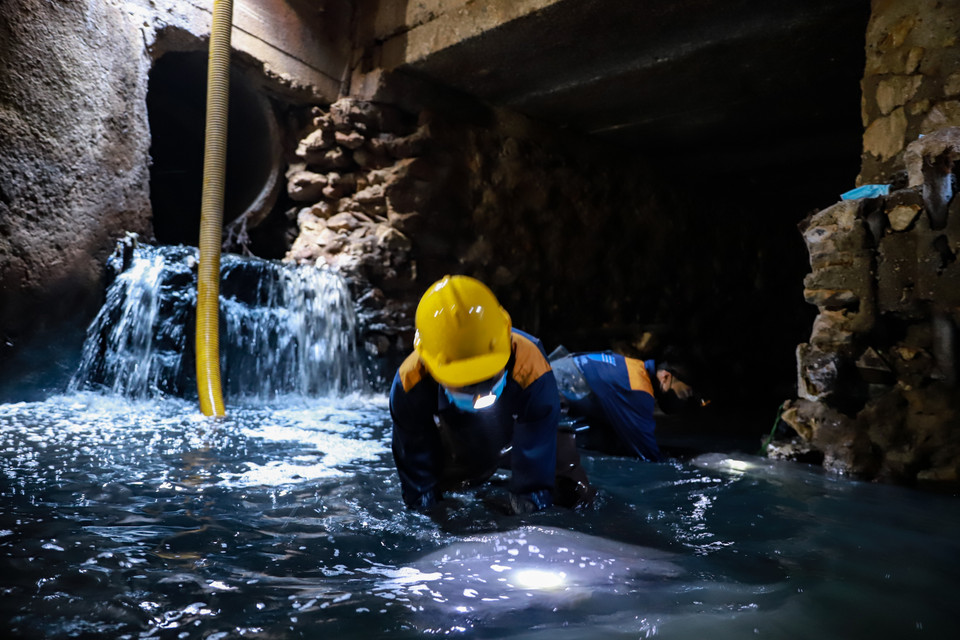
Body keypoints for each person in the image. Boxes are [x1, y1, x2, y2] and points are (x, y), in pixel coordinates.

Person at [389, 275, 592, 515]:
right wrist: (431, 516)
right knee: (433, 496)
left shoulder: (531, 366)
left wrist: (534, 509)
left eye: (488, 375)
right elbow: (417, 473)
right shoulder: (410, 383)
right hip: (460, 436)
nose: (480, 392)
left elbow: (538, 448)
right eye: (464, 382)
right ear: (430, 367)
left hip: (523, 426)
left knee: (572, 492)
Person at [549, 348, 706, 462]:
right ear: (666, 378)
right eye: (686, 393)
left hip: (549, 376)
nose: (684, 400)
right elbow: (648, 454)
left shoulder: (633, 367)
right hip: (551, 396)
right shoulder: (639, 392)